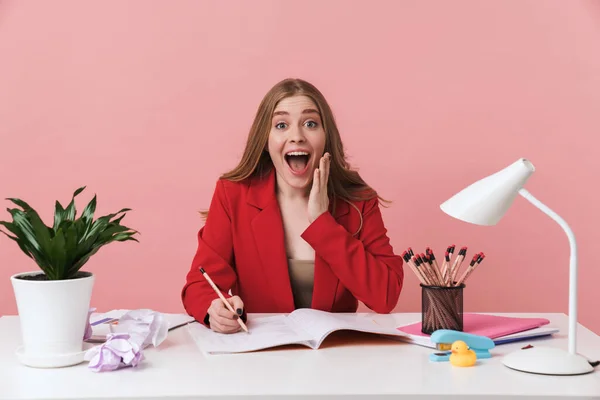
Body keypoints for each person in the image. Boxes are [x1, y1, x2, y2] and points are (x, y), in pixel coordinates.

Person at [181, 78, 404, 333]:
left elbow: (386, 296)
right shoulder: (233, 195)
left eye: (310, 124)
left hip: (336, 356)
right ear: (265, 141)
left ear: (325, 138)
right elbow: (200, 284)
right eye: (281, 125)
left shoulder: (358, 200)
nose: (296, 136)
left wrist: (323, 224)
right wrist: (215, 311)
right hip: (262, 355)